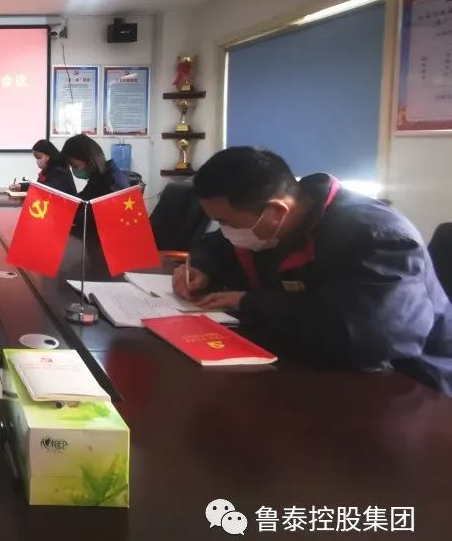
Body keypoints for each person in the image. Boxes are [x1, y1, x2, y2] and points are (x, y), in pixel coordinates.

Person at [174, 146, 452, 393]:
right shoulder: (268, 222)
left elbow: (362, 337)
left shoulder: (379, 238)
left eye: (225, 222)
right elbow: (217, 244)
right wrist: (201, 268)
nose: (224, 230)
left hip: (409, 382)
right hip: (304, 359)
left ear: (277, 211)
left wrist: (249, 301)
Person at [60, 134, 129, 200]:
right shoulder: (97, 179)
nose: (73, 171)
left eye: (75, 166)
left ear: (88, 159)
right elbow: (82, 199)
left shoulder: (112, 184)